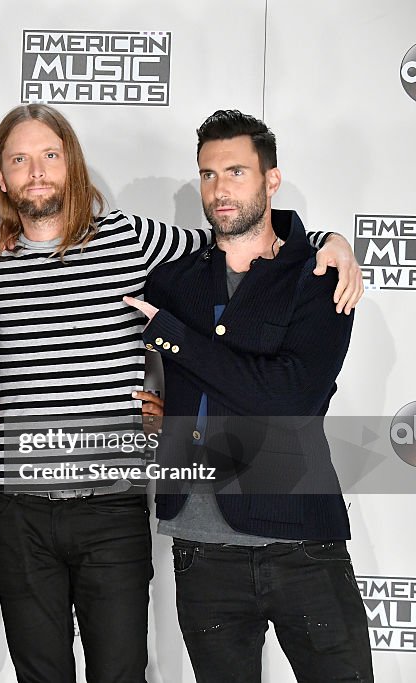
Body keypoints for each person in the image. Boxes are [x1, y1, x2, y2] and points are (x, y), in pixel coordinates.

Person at [0, 104, 364, 682]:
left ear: (72, 166)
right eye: (19, 160)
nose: (37, 171)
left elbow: (243, 234)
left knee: (122, 671)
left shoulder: (131, 241)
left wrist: (330, 239)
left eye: (50, 155)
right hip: (20, 507)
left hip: (118, 504)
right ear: (1, 177)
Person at [124, 109, 374, 683]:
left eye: (236, 172)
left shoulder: (318, 275)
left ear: (272, 179)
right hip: (200, 547)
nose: (219, 190)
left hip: (301, 540)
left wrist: (178, 340)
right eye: (208, 175)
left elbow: (290, 401)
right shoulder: (173, 281)